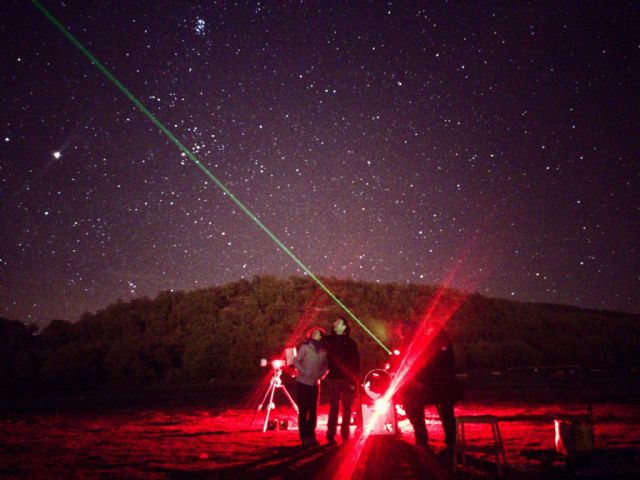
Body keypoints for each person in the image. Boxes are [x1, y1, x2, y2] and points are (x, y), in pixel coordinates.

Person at [401, 322, 462, 456]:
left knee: (446, 412)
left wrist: (421, 382)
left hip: (443, 386)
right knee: (414, 402)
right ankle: (425, 442)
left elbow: (437, 367)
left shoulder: (441, 344)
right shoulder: (433, 343)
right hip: (435, 387)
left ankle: (448, 446)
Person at [324, 316, 360, 445]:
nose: (335, 324)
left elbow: (355, 362)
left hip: (346, 380)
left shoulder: (351, 343)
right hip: (334, 379)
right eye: (335, 322)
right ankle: (330, 436)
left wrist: (352, 381)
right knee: (333, 408)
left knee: (347, 408)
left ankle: (345, 435)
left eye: (338, 323)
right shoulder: (329, 340)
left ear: (344, 327)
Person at [293, 327, 328, 447]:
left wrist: (320, 375)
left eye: (317, 333)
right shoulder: (306, 347)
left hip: (315, 383)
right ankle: (304, 437)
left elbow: (325, 366)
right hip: (302, 382)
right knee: (303, 410)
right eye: (313, 332)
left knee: (313, 411)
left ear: (321, 336)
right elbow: (296, 360)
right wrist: (303, 371)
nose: (314, 334)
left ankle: (311, 436)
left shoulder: (324, 350)